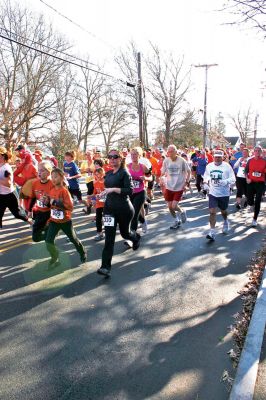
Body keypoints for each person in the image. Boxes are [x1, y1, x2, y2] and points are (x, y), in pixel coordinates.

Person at [97, 149, 141, 278]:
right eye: (109, 157)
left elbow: (130, 190)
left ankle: (135, 237)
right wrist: (104, 192)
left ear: (120, 159)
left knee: (125, 233)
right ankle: (105, 267)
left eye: (115, 157)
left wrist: (113, 189)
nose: (112, 159)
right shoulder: (109, 174)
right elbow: (108, 189)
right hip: (109, 210)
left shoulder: (124, 173)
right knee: (109, 239)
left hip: (124, 210)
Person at [45, 168, 87, 269]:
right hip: (54, 221)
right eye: (52, 177)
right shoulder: (51, 190)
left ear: (62, 177)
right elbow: (50, 206)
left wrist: (55, 202)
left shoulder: (64, 191)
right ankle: (55, 257)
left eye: (56, 177)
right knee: (48, 241)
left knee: (73, 239)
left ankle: (82, 252)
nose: (53, 179)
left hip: (65, 221)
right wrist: (46, 201)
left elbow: (70, 207)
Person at [203, 149, 236, 241]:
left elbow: (233, 178)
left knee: (223, 211)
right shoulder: (209, 166)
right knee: (212, 211)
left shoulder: (227, 166)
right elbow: (206, 175)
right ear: (213, 157)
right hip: (213, 192)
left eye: (219, 157)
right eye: (216, 157)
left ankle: (225, 221)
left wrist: (225, 182)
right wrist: (205, 183)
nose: (217, 159)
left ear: (223, 157)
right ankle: (212, 232)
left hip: (224, 193)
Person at [161, 144, 190, 229]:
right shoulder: (166, 161)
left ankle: (182, 211)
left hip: (179, 186)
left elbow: (189, 172)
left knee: (174, 206)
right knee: (170, 207)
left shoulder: (182, 161)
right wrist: (161, 178)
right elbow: (163, 172)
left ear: (176, 152)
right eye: (168, 152)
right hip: (169, 186)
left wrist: (186, 182)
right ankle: (176, 220)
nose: (169, 153)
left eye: (171, 151)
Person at [0, 146, 30, 228]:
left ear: (2, 156)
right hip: (1, 195)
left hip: (9, 195)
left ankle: (32, 223)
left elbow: (8, 183)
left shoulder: (6, 168)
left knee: (17, 214)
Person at [128, 147, 151, 234]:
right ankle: (143, 221)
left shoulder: (143, 167)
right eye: (132, 154)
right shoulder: (127, 166)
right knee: (130, 211)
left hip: (140, 192)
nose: (133, 156)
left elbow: (151, 177)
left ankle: (132, 233)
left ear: (139, 156)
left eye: (135, 154)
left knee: (134, 212)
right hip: (130, 193)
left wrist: (145, 178)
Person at [29, 161, 54, 242]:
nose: (39, 172)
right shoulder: (35, 183)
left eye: (42, 170)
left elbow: (57, 204)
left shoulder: (53, 184)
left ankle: (50, 237)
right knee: (35, 238)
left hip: (50, 214)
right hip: (40, 213)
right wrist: (30, 210)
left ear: (48, 172)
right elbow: (33, 197)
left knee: (49, 241)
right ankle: (50, 235)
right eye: (38, 170)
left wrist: (47, 203)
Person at [245, 145, 266, 226]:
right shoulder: (250, 161)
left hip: (260, 183)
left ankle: (255, 219)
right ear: (253, 152)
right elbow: (246, 171)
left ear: (261, 152)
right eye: (255, 150)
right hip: (251, 182)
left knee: (258, 200)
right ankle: (251, 204)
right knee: (249, 199)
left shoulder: (264, 161)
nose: (257, 152)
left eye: (258, 151)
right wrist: (247, 178)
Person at [91, 167, 105, 241]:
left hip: (107, 204)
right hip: (99, 204)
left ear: (102, 174)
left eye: (98, 174)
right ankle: (99, 233)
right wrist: (93, 200)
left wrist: (102, 195)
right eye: (95, 175)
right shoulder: (95, 183)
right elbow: (94, 193)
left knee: (107, 219)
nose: (97, 176)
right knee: (98, 219)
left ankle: (108, 230)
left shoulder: (106, 183)